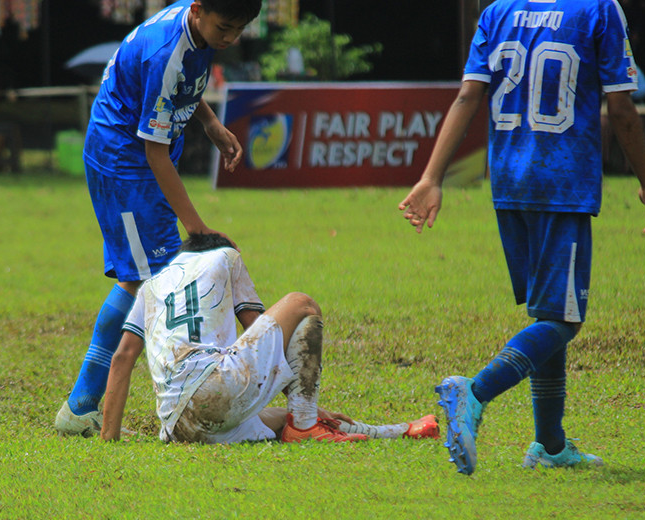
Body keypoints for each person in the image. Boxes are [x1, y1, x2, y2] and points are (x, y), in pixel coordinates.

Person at [398, 0, 645, 475]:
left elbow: (467, 97)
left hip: (509, 183)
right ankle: (475, 392)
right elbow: (621, 107)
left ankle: (549, 444)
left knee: (548, 311)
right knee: (565, 320)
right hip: (562, 185)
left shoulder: (497, 11)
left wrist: (432, 176)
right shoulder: (599, 10)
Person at [55, 0, 263, 436]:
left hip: (142, 160)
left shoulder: (197, 25)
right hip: (124, 163)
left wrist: (207, 121)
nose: (229, 38)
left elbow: (179, 84)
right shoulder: (165, 50)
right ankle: (81, 407)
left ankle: (87, 406)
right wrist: (198, 230)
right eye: (225, 27)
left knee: (152, 275)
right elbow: (156, 151)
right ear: (200, 10)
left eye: (239, 31)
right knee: (148, 278)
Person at [100, 233, 440, 444]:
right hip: (215, 389)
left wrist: (108, 440)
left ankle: (395, 430)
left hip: (181, 427)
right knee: (301, 303)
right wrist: (298, 392)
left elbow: (122, 358)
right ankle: (306, 424)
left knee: (283, 418)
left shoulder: (151, 286)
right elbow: (258, 327)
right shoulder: (225, 255)